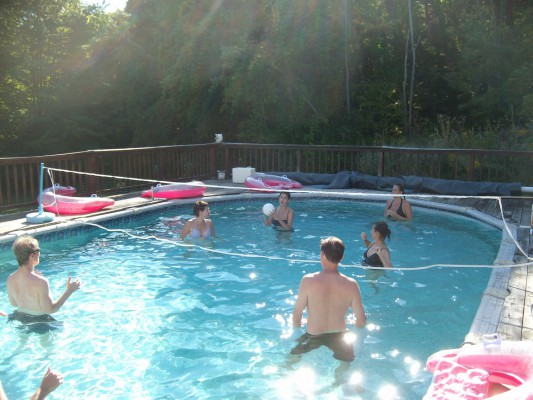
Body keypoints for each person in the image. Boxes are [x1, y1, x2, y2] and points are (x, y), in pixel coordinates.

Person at [291, 237, 367, 366]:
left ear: (322, 255)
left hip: (313, 335)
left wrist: (296, 330)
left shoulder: (308, 280)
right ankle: (338, 378)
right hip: (339, 336)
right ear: (341, 258)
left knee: (291, 361)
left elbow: (296, 315)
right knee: (345, 366)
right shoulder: (351, 284)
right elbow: (361, 321)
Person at [6, 236, 81, 322]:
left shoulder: (10, 279)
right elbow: (51, 309)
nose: (39, 253)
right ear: (32, 255)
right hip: (40, 321)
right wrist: (69, 290)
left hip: (19, 317)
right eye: (38, 250)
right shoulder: (41, 282)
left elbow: (14, 304)